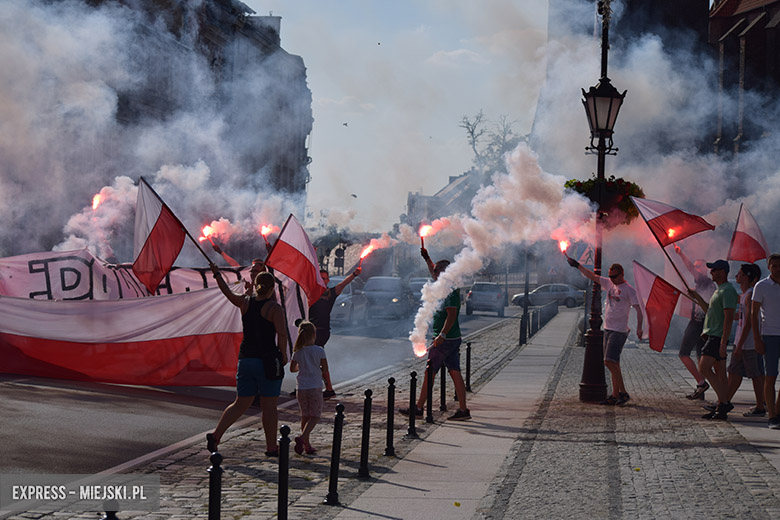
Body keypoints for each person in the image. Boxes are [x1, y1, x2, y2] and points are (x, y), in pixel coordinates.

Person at [206, 266, 289, 456]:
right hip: (267, 360)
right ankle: (271, 447)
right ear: (271, 289)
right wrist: (283, 354)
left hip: (246, 359)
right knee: (269, 406)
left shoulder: (245, 302)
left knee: (240, 402)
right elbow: (282, 334)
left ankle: (216, 434)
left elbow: (227, 292)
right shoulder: (274, 308)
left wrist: (217, 275)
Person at [400, 249, 470, 420]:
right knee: (454, 372)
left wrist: (442, 336)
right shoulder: (444, 286)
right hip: (451, 339)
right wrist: (427, 258)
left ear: (444, 273)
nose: (434, 273)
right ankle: (463, 410)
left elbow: (452, 315)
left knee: (429, 372)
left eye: (437, 271)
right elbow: (433, 270)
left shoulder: (450, 291)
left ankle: (418, 408)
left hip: (445, 340)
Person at [567, 258, 643, 406]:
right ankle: (615, 395)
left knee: (608, 361)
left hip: (619, 330)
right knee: (615, 364)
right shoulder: (609, 283)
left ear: (621, 274)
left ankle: (623, 393)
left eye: (614, 276)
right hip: (608, 328)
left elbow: (639, 310)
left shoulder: (629, 290)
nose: (612, 279)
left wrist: (640, 327)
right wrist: (577, 266)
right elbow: (592, 276)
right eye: (610, 276)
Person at [688, 259, 738, 421]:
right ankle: (721, 406)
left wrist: (723, 342)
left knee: (703, 368)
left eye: (714, 270)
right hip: (713, 335)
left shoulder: (727, 290)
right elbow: (709, 310)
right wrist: (696, 297)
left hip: (717, 336)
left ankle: (723, 401)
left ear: (722, 272)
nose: (711, 273)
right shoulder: (719, 290)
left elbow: (729, 317)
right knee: (720, 373)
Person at [718, 263, 765, 416]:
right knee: (734, 372)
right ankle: (724, 402)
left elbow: (750, 322)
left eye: (739, 274)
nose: (736, 276)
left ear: (747, 277)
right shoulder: (744, 296)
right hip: (741, 342)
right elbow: (742, 317)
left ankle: (760, 406)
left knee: (755, 375)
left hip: (749, 343)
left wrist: (740, 345)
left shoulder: (750, 295)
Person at [308, 266, 362, 398]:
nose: (324, 280)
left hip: (322, 330)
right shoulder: (309, 292)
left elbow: (343, 283)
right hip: (309, 330)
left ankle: (325, 388)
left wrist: (354, 274)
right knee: (310, 358)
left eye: (326, 278)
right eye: (321, 278)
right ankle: (319, 387)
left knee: (315, 359)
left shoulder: (330, 293)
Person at [674, 245, 716, 400]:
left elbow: (689, 267)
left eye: (699, 266)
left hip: (698, 322)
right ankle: (701, 388)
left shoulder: (704, 280)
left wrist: (681, 254)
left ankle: (701, 382)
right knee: (700, 357)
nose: (695, 269)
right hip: (704, 323)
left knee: (683, 353)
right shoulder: (706, 284)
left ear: (704, 269)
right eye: (696, 266)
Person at [290, 320, 330, 455]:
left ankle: (307, 445)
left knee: (305, 416)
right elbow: (325, 368)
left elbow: (292, 369)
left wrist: (302, 366)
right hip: (315, 386)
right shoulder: (319, 350)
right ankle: (302, 438)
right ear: (314, 334)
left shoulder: (298, 352)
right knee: (315, 416)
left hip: (301, 387)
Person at [751, 253, 780, 428]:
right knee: (770, 377)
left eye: (779, 265)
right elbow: (754, 314)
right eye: (774, 266)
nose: (777, 269)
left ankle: (777, 409)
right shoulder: (761, 286)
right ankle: (772, 416)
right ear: (769, 267)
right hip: (769, 336)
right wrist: (757, 339)